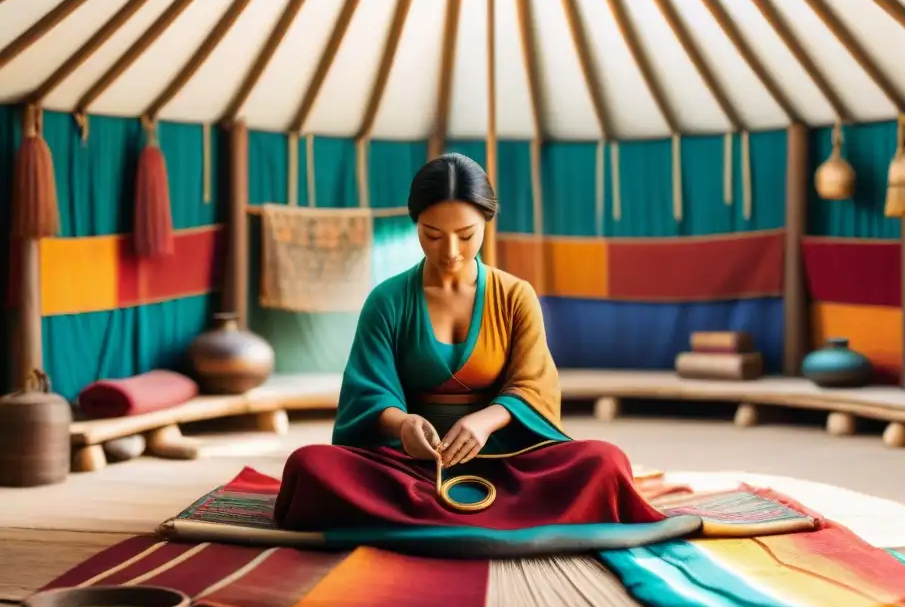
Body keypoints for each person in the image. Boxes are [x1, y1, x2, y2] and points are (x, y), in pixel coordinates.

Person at [273, 154, 667, 532]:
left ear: (486, 222)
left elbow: (534, 385)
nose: (450, 252)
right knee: (309, 466)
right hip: (408, 464)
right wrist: (403, 423)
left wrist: (485, 420)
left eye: (465, 236)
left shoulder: (515, 296)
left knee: (606, 462)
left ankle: (419, 518)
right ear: (416, 225)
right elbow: (367, 391)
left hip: (505, 458)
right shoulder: (387, 300)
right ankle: (497, 517)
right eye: (432, 235)